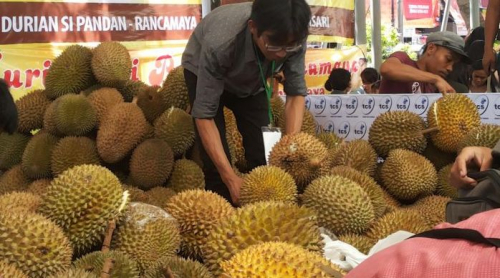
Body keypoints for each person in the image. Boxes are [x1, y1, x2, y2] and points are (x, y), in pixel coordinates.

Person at [181, 0, 311, 206]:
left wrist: (290, 146)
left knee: (264, 153)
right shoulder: (221, 43)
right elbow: (204, 115)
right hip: (203, 70)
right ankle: (223, 218)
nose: (281, 54)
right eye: (274, 44)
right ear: (253, 27)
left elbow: (295, 93)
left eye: (289, 46)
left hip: (251, 82)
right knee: (216, 168)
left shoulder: (293, 36)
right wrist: (231, 178)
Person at [378, 31, 470, 94]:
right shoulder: (404, 60)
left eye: (454, 64)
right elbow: (387, 69)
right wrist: (435, 79)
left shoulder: (435, 88)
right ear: (431, 49)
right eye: (448, 59)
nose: (450, 68)